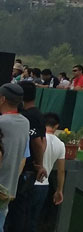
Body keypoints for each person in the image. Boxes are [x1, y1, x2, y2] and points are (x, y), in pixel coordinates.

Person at [6, 81, 47, 231]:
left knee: (16, 209)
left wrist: (39, 163)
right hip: (29, 168)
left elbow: (37, 142)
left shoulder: (27, 117)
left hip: (24, 170)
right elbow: (43, 141)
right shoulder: (38, 114)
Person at [0, 83, 31, 228]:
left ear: (2, 99)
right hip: (7, 191)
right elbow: (24, 157)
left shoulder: (2, 123)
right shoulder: (25, 123)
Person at [29, 112, 65, 231]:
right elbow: (61, 171)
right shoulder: (61, 144)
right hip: (44, 185)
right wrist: (59, 190)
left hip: (30, 181)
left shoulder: (37, 138)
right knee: (33, 220)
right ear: (56, 126)